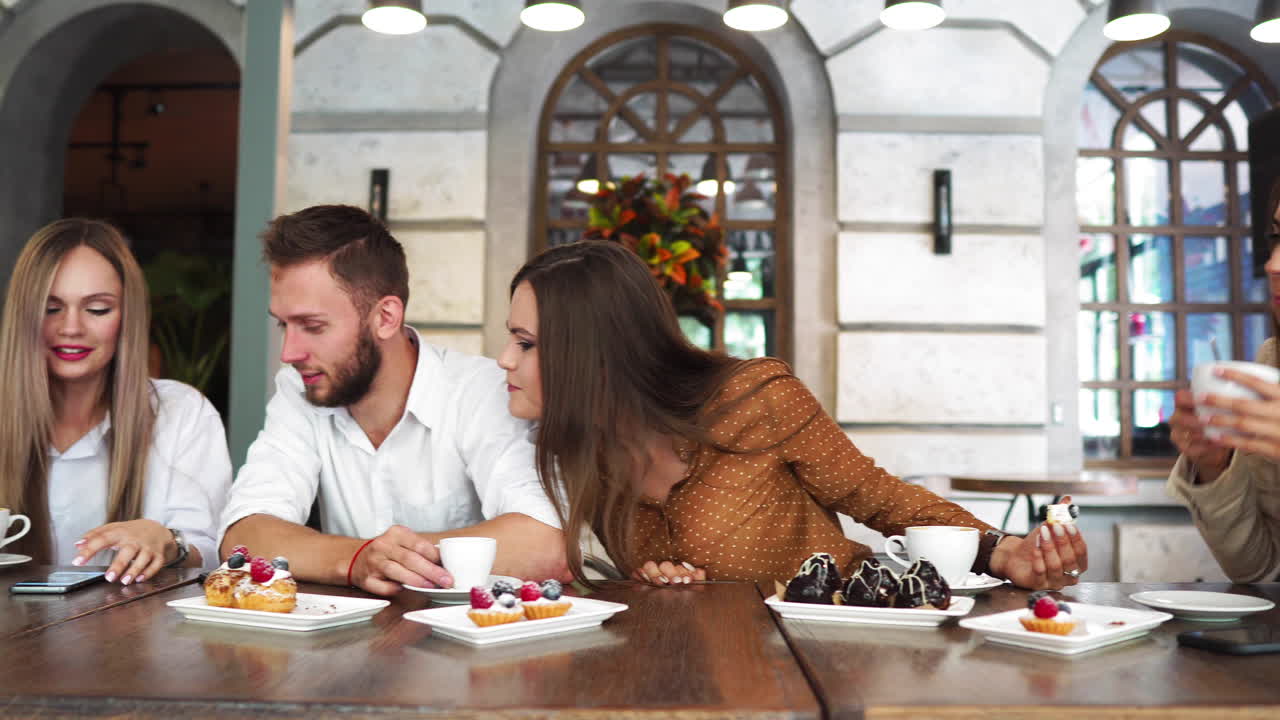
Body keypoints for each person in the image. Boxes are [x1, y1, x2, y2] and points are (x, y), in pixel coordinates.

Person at [498, 240, 1087, 590]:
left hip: (837, 650)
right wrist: (660, 585)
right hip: (707, 677)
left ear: (593, 355)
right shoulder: (579, 454)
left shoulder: (754, 397)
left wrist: (1001, 551)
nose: (504, 360)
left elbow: (879, 498)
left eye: (526, 343)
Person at [219, 205, 566, 596]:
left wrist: (384, 559)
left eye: (313, 326)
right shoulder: (299, 388)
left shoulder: (481, 390)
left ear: (386, 317)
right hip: (348, 646)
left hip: (475, 642)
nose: (289, 352)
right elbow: (244, 535)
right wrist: (358, 558)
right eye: (284, 324)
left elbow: (545, 544)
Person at [0, 218, 231, 583]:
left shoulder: (182, 413)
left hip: (137, 637)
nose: (71, 327)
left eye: (97, 309)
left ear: (127, 317)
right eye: (51, 307)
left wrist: (171, 544)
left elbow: (214, 551)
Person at [1167, 182, 1280, 583]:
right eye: (1276, 238)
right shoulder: (1271, 362)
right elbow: (1261, 571)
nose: (1273, 265)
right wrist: (1214, 467)